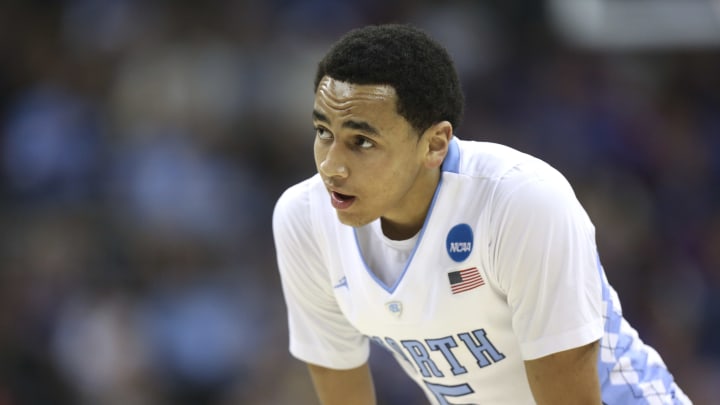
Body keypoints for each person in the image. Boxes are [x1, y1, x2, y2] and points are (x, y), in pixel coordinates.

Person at [272, 23, 692, 405]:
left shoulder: (521, 201)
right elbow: (339, 383)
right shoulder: (305, 219)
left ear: (435, 144)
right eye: (324, 132)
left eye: (361, 141)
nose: (331, 166)